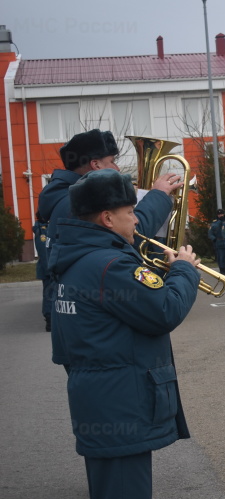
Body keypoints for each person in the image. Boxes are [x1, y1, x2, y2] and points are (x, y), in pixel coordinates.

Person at [48, 168, 200, 499]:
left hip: (100, 400)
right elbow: (163, 310)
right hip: (120, 406)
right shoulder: (111, 265)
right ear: (107, 217)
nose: (136, 219)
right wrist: (183, 272)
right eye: (131, 212)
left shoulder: (75, 260)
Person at [38, 130, 183, 369]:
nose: (117, 168)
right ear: (95, 165)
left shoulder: (68, 197)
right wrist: (158, 196)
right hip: (105, 357)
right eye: (112, 161)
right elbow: (132, 235)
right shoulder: (74, 202)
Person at [33, 211, 52, 331]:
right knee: (49, 294)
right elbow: (44, 252)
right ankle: (49, 320)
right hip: (47, 269)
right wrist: (50, 269)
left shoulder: (45, 228)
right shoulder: (41, 230)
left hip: (49, 268)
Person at [208, 209, 225, 275]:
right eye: (219, 214)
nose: (221, 215)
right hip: (219, 242)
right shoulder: (215, 223)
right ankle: (222, 270)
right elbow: (210, 233)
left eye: (222, 214)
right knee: (221, 257)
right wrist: (214, 239)